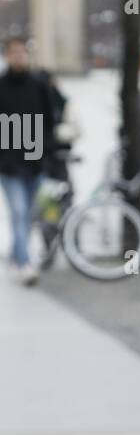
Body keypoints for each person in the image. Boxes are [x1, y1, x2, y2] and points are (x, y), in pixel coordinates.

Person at [0, 36, 55, 285]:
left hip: (35, 162)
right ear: (7, 56)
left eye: (22, 52)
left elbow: (49, 121)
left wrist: (46, 154)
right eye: (14, 52)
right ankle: (25, 264)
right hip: (9, 164)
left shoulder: (39, 86)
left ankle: (15, 255)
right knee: (18, 212)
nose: (19, 56)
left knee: (29, 215)